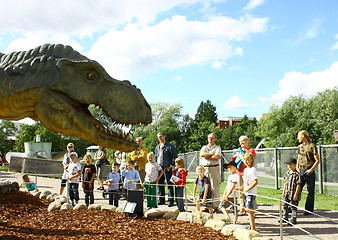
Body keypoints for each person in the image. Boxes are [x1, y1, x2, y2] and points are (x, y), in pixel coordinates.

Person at [297, 130, 320, 215]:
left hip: (309, 171)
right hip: (301, 171)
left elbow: (317, 160)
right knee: (297, 189)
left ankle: (308, 209)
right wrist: (297, 168)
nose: (298, 138)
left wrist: (311, 170)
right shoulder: (300, 147)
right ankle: (293, 207)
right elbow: (298, 158)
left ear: (303, 136)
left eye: (299, 136)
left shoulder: (312, 146)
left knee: (310, 191)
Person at [232, 136, 256, 215]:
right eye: (240, 141)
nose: (242, 143)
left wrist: (240, 156)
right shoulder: (239, 151)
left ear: (248, 141)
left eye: (244, 141)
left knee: (249, 191)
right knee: (241, 191)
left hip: (248, 174)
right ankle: (242, 208)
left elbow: (247, 162)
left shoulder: (251, 151)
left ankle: (252, 209)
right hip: (240, 172)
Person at [200, 132, 222, 212]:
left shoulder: (217, 148)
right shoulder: (204, 147)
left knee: (215, 187)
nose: (210, 139)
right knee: (206, 187)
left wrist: (207, 156)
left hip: (214, 169)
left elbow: (216, 157)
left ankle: (215, 206)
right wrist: (211, 154)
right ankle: (207, 205)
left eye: (212, 138)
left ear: (215, 139)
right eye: (209, 137)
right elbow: (202, 154)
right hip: (205, 169)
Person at [155, 132, 178, 207]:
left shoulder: (170, 146)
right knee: (160, 184)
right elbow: (156, 157)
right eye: (158, 137)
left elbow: (175, 156)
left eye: (161, 136)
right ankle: (161, 200)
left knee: (169, 184)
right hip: (159, 168)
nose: (159, 138)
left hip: (167, 168)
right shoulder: (157, 147)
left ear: (164, 137)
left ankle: (171, 200)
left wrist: (171, 165)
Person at [241, 152, 258, 231]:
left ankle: (253, 228)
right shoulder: (245, 170)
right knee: (248, 210)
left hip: (251, 192)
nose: (246, 162)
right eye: (245, 160)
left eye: (248, 160)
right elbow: (245, 182)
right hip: (246, 192)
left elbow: (255, 181)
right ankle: (251, 226)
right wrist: (241, 188)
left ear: (251, 160)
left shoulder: (253, 170)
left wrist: (248, 189)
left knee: (249, 210)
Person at [282, 158, 302, 225]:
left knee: (293, 207)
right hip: (287, 193)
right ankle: (285, 217)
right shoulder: (287, 173)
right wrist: (284, 191)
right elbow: (285, 182)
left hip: (293, 193)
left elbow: (298, 184)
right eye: (288, 165)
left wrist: (296, 194)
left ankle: (293, 219)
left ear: (295, 165)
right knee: (285, 205)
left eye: (291, 165)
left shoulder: (297, 174)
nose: (289, 166)